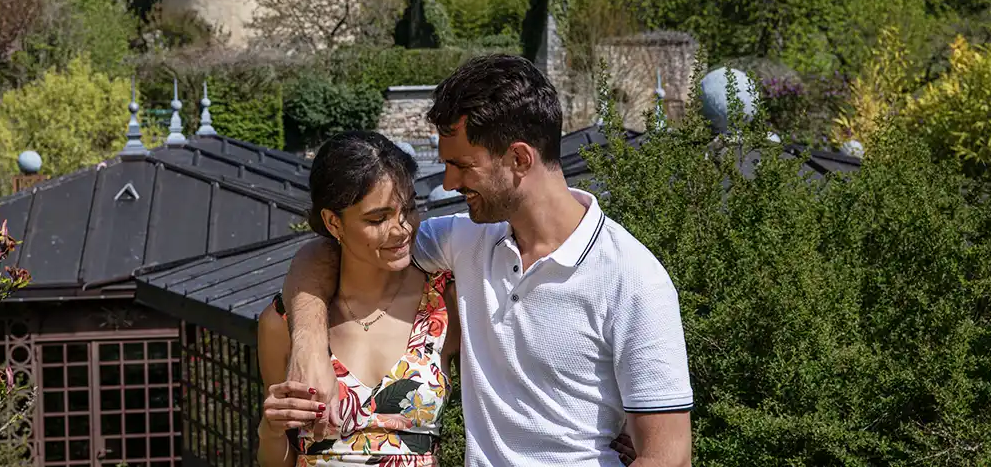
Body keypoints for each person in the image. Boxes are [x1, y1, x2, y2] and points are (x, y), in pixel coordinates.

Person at [278, 55, 694, 466]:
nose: (448, 183)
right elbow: (331, 247)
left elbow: (669, 456)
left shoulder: (633, 279)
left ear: (519, 159)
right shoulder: (467, 239)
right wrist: (309, 346)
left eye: (461, 165)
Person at [257, 131, 461, 466]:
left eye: (408, 209)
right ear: (333, 222)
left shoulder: (444, 305)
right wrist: (271, 430)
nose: (402, 229)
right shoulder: (280, 324)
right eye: (377, 218)